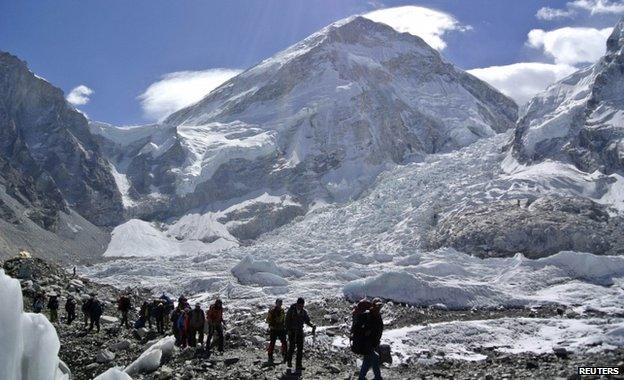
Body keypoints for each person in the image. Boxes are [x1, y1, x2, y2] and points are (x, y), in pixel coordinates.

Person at [351, 298, 384, 380]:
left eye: (380, 306)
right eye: (377, 305)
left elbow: (378, 329)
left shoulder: (376, 315)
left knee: (367, 360)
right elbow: (358, 329)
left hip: (372, 343)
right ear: (372, 306)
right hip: (365, 343)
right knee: (375, 358)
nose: (378, 307)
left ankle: (361, 377)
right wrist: (366, 332)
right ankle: (378, 378)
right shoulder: (367, 315)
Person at [285, 297, 316, 373]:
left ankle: (298, 365)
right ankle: (289, 361)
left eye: (302, 305)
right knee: (292, 347)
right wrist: (288, 330)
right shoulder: (291, 311)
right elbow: (287, 321)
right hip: (292, 331)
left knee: (300, 348)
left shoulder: (303, 312)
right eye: (300, 305)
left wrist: (312, 325)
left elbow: (307, 320)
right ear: (297, 304)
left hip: (299, 331)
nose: (301, 307)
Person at [266, 298, 288, 364]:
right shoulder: (272, 311)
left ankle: (284, 354)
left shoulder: (282, 311)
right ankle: (270, 355)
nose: (280, 304)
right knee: (272, 342)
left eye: (281, 302)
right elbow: (268, 320)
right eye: (279, 302)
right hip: (274, 329)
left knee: (284, 342)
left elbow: (284, 319)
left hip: (281, 328)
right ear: (276, 303)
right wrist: (273, 324)